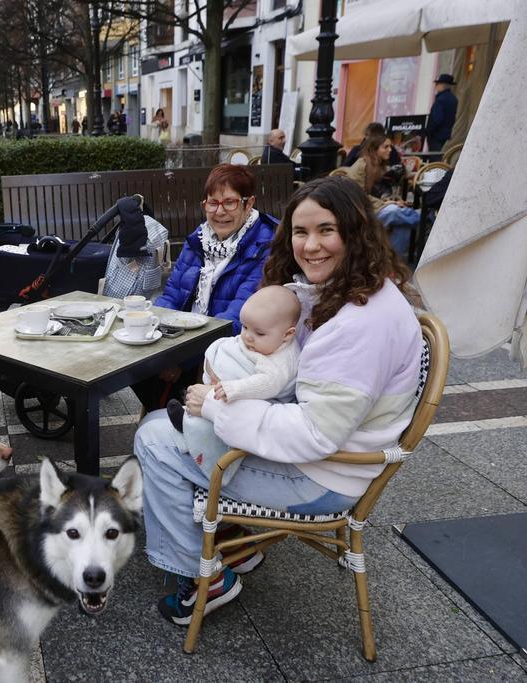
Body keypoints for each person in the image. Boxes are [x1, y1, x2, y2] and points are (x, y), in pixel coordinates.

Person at [134, 176, 422, 626]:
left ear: (355, 230)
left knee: (154, 437)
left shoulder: (361, 324)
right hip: (336, 458)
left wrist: (214, 405)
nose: (310, 246)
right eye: (301, 232)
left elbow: (315, 434)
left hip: (322, 479)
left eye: (326, 230)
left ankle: (206, 579)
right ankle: (237, 543)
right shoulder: (360, 291)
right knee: (172, 427)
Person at [133, 164, 278, 410]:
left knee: (150, 375)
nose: (219, 212)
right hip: (186, 342)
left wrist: (181, 360)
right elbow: (171, 297)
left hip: (225, 352)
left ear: (248, 203)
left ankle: (172, 423)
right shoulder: (199, 239)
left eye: (230, 202)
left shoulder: (264, 247)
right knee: (134, 363)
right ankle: (162, 422)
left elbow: (234, 321)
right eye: (213, 203)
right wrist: (150, 331)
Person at [166, 285, 300, 481]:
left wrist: (234, 388)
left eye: (259, 333)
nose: (247, 336)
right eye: (245, 327)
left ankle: (192, 436)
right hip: (225, 391)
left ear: (287, 334)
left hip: (263, 405)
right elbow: (237, 345)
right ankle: (186, 425)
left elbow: (270, 383)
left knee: (214, 430)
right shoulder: (267, 341)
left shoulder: (283, 358)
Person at [346, 135, 420, 257]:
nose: (390, 150)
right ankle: (422, 218)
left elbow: (379, 193)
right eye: (385, 147)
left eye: (390, 146)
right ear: (375, 149)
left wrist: (392, 201)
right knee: (394, 212)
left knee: (402, 225)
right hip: (359, 211)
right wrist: (386, 204)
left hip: (373, 207)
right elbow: (356, 195)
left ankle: (392, 263)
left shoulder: (380, 166)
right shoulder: (361, 165)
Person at [427, 74, 458, 156]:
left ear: (442, 85)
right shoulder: (453, 99)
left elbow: (437, 118)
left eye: (437, 84)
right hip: (446, 133)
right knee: (440, 155)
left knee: (434, 157)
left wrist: (429, 130)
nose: (436, 86)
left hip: (436, 135)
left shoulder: (441, 99)